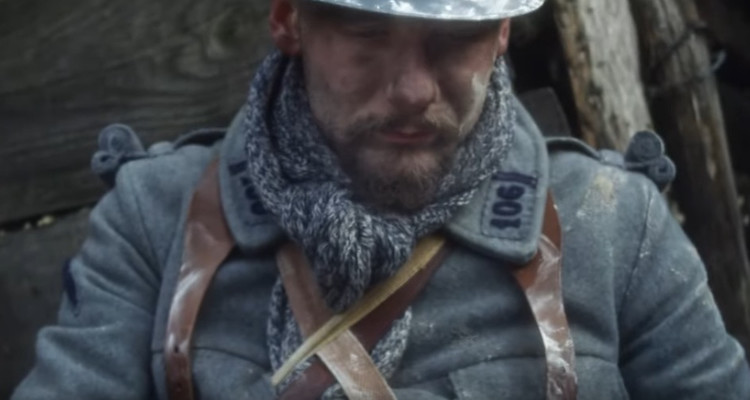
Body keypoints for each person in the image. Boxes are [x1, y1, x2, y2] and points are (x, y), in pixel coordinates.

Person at [12, 0, 750, 398]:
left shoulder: (614, 225)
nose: (412, 90)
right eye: (367, 35)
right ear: (288, 19)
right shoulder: (157, 216)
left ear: (500, 32)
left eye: (452, 40)